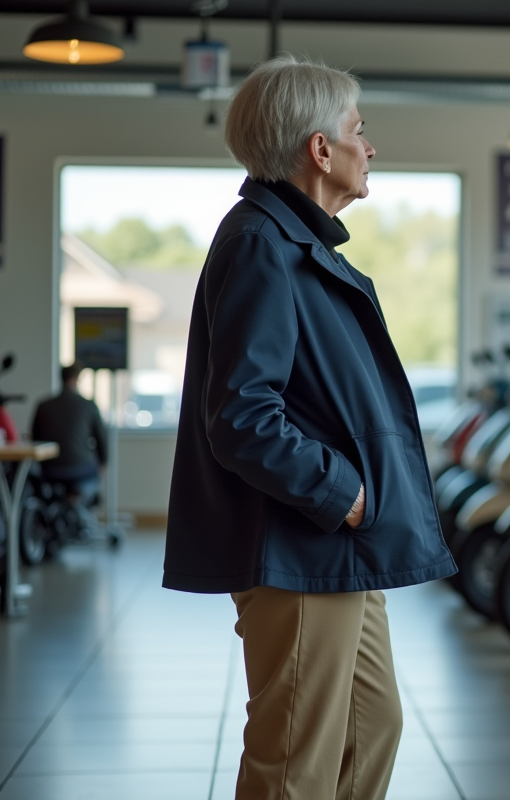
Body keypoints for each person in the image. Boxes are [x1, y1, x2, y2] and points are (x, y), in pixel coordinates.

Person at [163, 54, 456, 800]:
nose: (371, 145)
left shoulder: (298, 243)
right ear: (320, 150)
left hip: (335, 547)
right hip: (299, 541)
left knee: (371, 726)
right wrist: (345, 493)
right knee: (296, 759)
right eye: (360, 129)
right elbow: (242, 416)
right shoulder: (263, 243)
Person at [31, 362, 107, 507]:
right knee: (94, 474)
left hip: (50, 470)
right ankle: (82, 508)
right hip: (81, 468)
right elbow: (102, 441)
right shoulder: (88, 405)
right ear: (76, 380)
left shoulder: (43, 405)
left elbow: (34, 439)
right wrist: (103, 464)